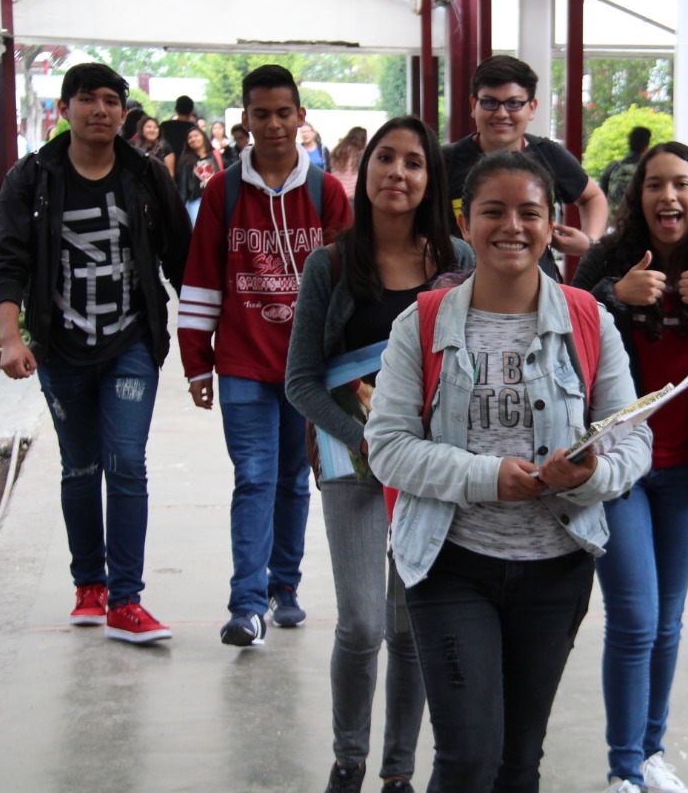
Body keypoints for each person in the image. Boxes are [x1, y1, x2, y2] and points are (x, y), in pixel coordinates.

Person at [364, 151, 652, 792]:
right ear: (465, 224)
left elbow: (634, 441)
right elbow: (386, 447)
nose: (512, 227)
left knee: (519, 761)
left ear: (552, 225)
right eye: (493, 211)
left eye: (530, 213)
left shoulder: (588, 320)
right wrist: (488, 476)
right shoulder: (422, 322)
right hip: (450, 562)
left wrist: (589, 477)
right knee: (468, 758)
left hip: (556, 567)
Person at [286, 116, 475, 793]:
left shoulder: (460, 261)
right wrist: (363, 437)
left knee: (410, 621)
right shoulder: (330, 264)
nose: (398, 172)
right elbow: (301, 381)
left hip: (429, 463)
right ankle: (349, 760)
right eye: (385, 158)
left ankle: (398, 770)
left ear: (431, 179)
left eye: (414, 162)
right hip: (353, 457)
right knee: (364, 622)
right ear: (363, 171)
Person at [0, 62, 192, 644]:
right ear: (64, 109)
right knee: (79, 466)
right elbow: (6, 258)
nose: (99, 109)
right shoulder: (33, 177)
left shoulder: (145, 176)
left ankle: (126, 600)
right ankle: (89, 587)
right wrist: (10, 337)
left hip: (131, 342)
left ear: (123, 112)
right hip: (60, 348)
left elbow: (182, 258)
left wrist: (206, 338)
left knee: (126, 460)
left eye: (110, 100)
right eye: (86, 98)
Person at [571, 142, 688, 793]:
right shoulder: (609, 258)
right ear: (638, 196)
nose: (669, 196)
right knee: (635, 617)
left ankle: (650, 754)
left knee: (668, 620)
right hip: (622, 468)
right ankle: (623, 769)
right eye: (655, 184)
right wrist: (614, 294)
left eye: (682, 184)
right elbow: (567, 327)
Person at [178, 64, 353, 648]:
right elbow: (202, 279)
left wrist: (347, 369)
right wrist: (196, 361)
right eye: (261, 114)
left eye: (284, 113)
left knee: (294, 480)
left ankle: (285, 587)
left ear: (301, 117)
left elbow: (350, 287)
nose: (274, 124)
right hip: (242, 366)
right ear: (245, 121)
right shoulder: (222, 192)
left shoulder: (327, 194)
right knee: (253, 477)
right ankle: (246, 606)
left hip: (308, 372)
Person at [442, 55, 609, 271]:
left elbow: (592, 197)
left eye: (514, 103)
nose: (501, 114)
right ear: (474, 105)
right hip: (463, 284)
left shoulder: (549, 155)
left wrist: (589, 241)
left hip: (539, 286)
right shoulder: (444, 161)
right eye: (490, 102)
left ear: (532, 108)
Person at [599, 126, 652, 219]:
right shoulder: (649, 169)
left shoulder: (613, 167)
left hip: (614, 222)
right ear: (645, 148)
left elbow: (600, 196)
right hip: (638, 222)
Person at [175, 125, 223, 224]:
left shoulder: (215, 155)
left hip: (216, 199)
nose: (193, 139)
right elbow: (183, 186)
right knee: (197, 228)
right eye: (190, 137)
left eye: (196, 135)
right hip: (195, 201)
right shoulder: (185, 161)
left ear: (203, 137)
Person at [330, 126, 369, 197]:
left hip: (335, 190)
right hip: (350, 194)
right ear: (363, 139)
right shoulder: (360, 154)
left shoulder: (337, 150)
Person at [161, 94, 198, 160]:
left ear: (176, 109)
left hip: (166, 161)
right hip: (187, 162)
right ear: (191, 111)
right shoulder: (194, 129)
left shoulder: (165, 126)